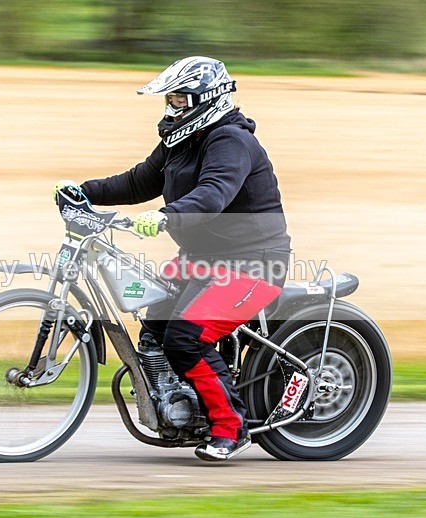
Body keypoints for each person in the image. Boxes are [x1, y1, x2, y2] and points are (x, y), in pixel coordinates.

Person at [54, 56, 291, 461]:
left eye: (179, 101)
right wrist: (85, 192)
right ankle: (181, 408)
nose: (171, 109)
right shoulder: (180, 141)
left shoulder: (231, 141)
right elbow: (139, 180)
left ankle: (231, 427)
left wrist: (166, 216)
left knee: (185, 338)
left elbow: (214, 193)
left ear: (206, 99)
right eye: (170, 101)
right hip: (202, 259)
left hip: (253, 264)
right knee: (154, 326)